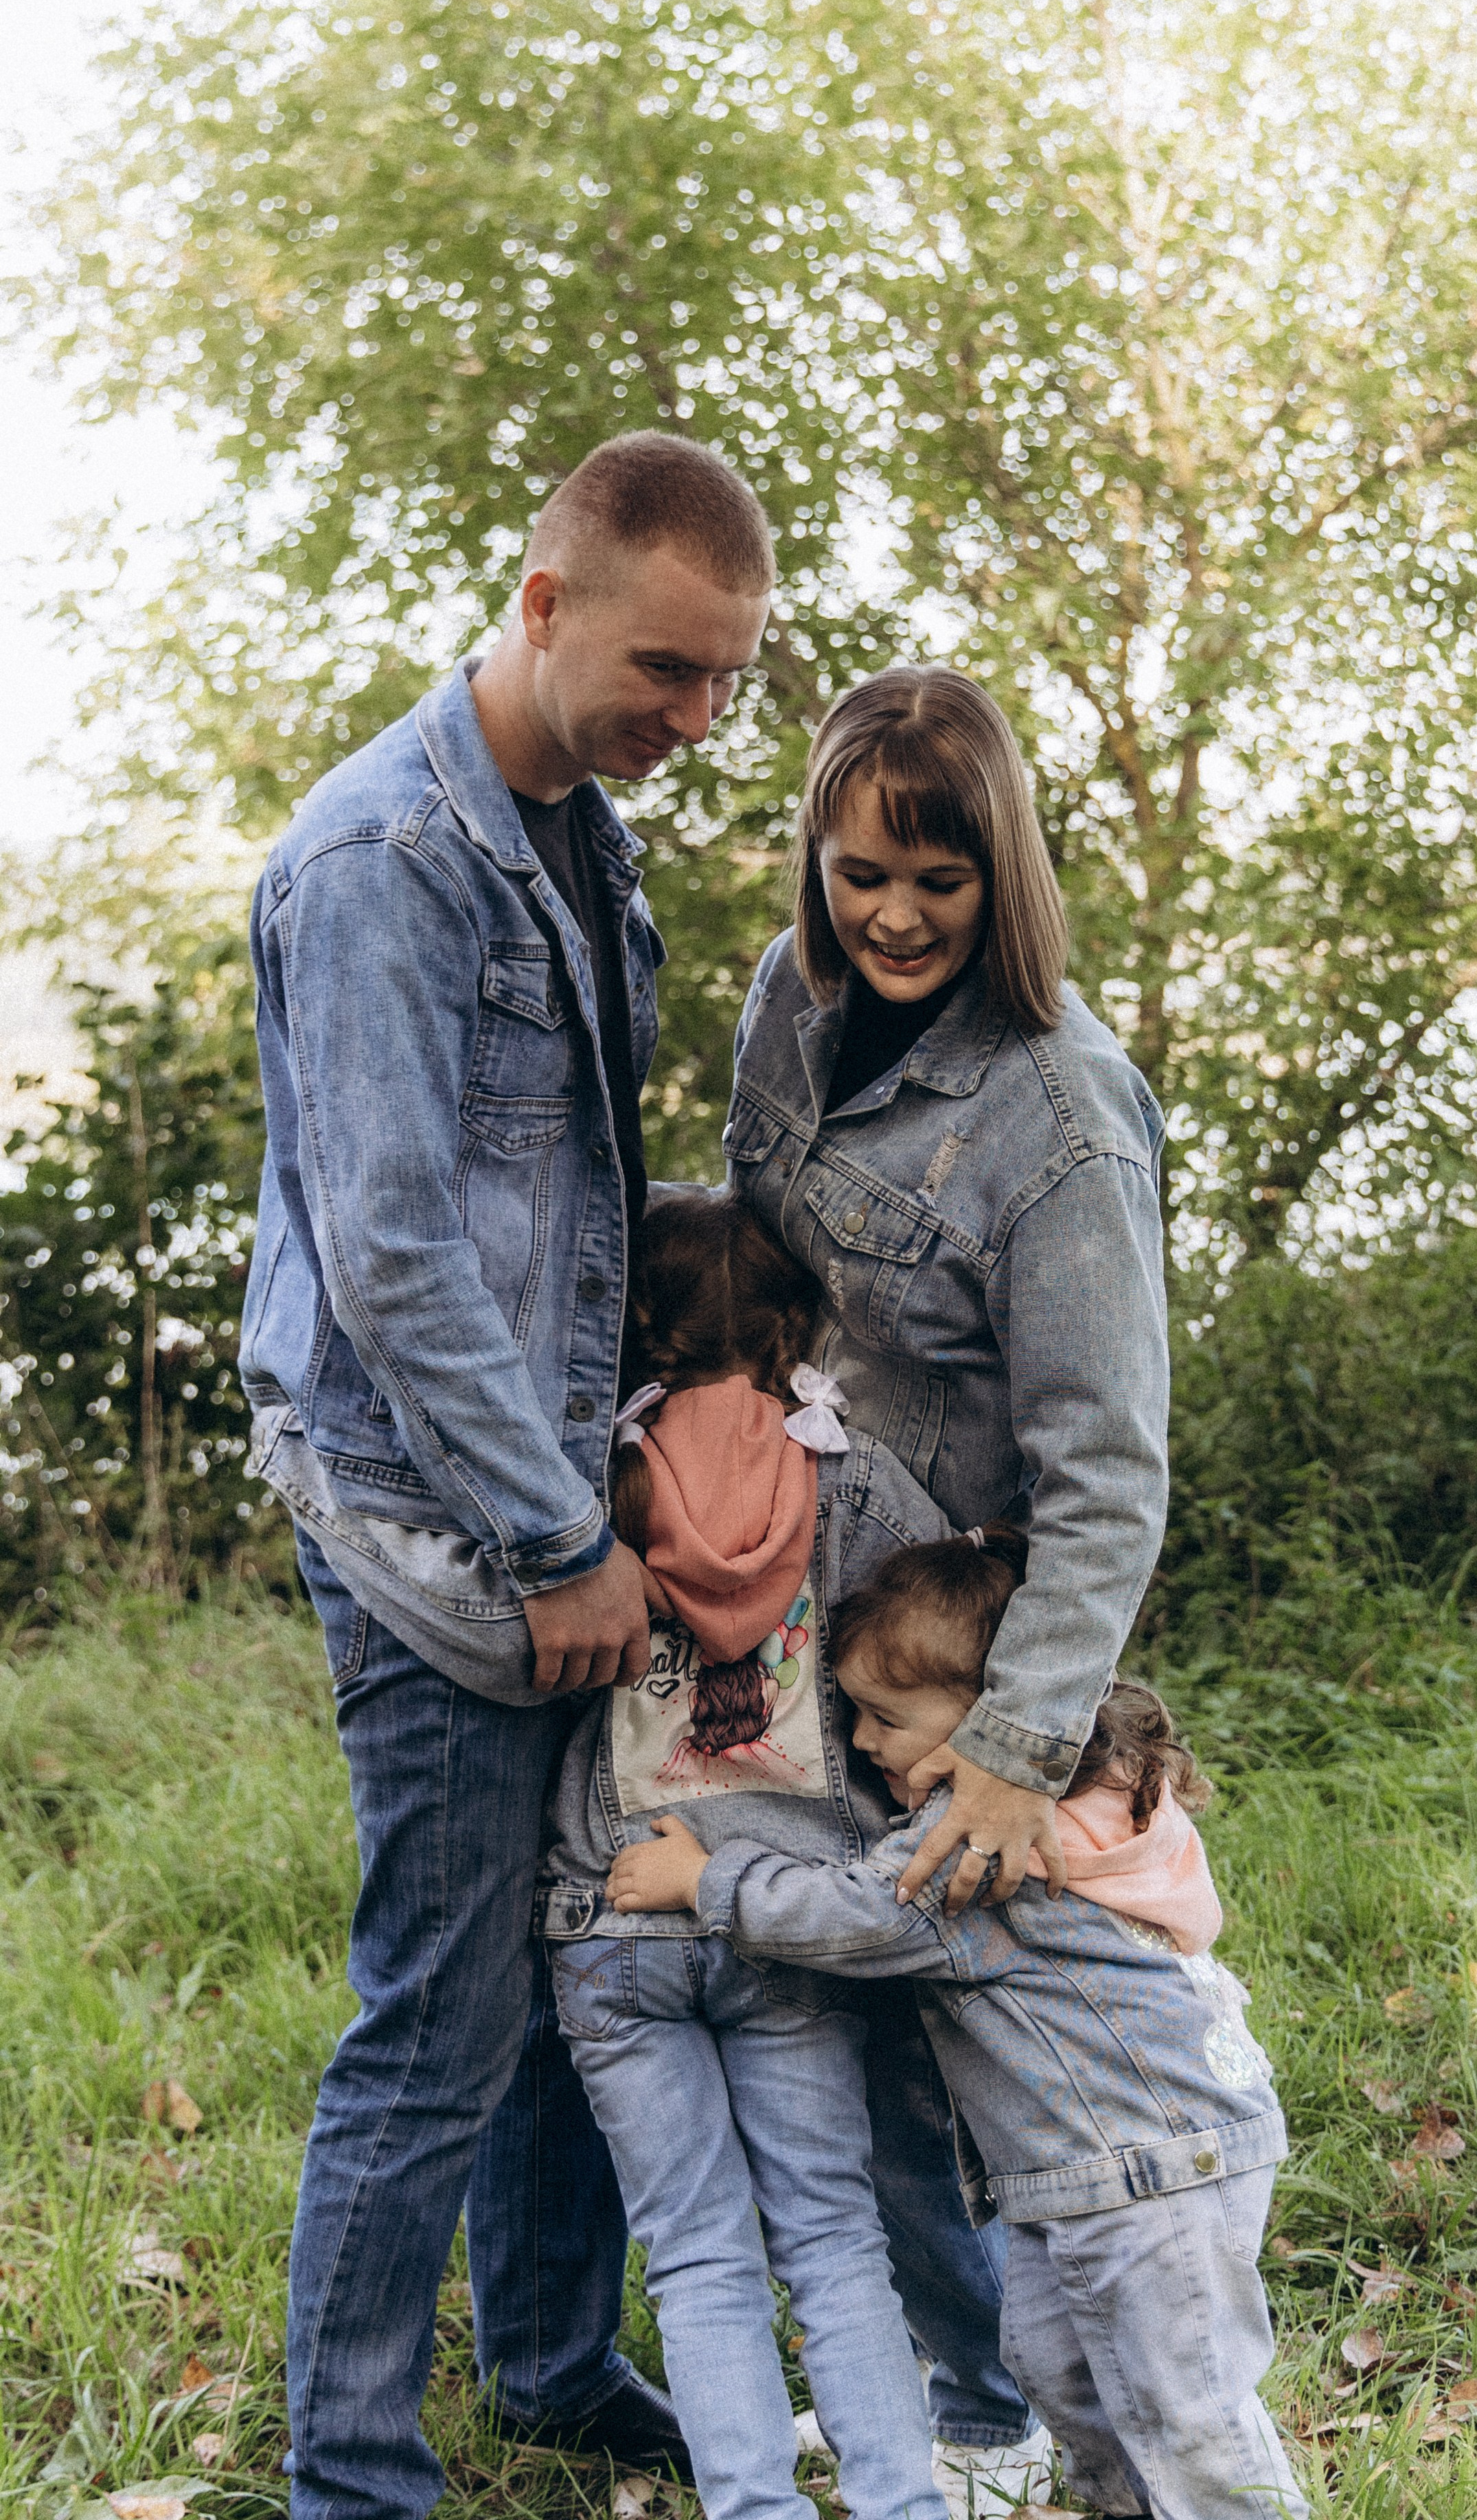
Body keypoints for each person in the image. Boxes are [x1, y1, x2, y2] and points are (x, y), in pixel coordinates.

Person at [240, 432, 776, 2520]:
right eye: (665, 668)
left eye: (726, 679)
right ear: (545, 605)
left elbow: (575, 1205)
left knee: (576, 1975)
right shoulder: (384, 859)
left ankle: (552, 2369)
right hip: (437, 1522)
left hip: (568, 1510)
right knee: (443, 2016)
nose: (696, 717)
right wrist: (559, 1540)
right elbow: (389, 1251)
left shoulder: (582, 838)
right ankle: (352, 2475)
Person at [609, 1528, 1307, 2520]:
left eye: (887, 1718)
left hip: (1149, 2165)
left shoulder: (980, 1845)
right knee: (1057, 2368)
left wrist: (706, 1880)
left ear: (992, 1718)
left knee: (1185, 2403)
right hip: (1102, 2167)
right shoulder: (1081, 1792)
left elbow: (862, 1914)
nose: (862, 1742)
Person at [723, 664, 1171, 1922]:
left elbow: (1107, 1474)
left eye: (941, 882)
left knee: (924, 1980)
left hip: (930, 1658)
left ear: (1004, 875)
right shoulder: (790, 993)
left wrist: (1016, 1747)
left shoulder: (1065, 1123)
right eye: (861, 876)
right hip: (768, 1586)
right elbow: (757, 1267)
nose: (896, 919)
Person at [537, 1188, 950, 2520]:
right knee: (835, 2242)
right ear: (791, 1328)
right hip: (792, 1915)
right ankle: (901, 2505)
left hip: (613, 1918)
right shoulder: (853, 1479)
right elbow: (949, 1634)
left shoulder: (581, 1487)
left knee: (696, 2260)